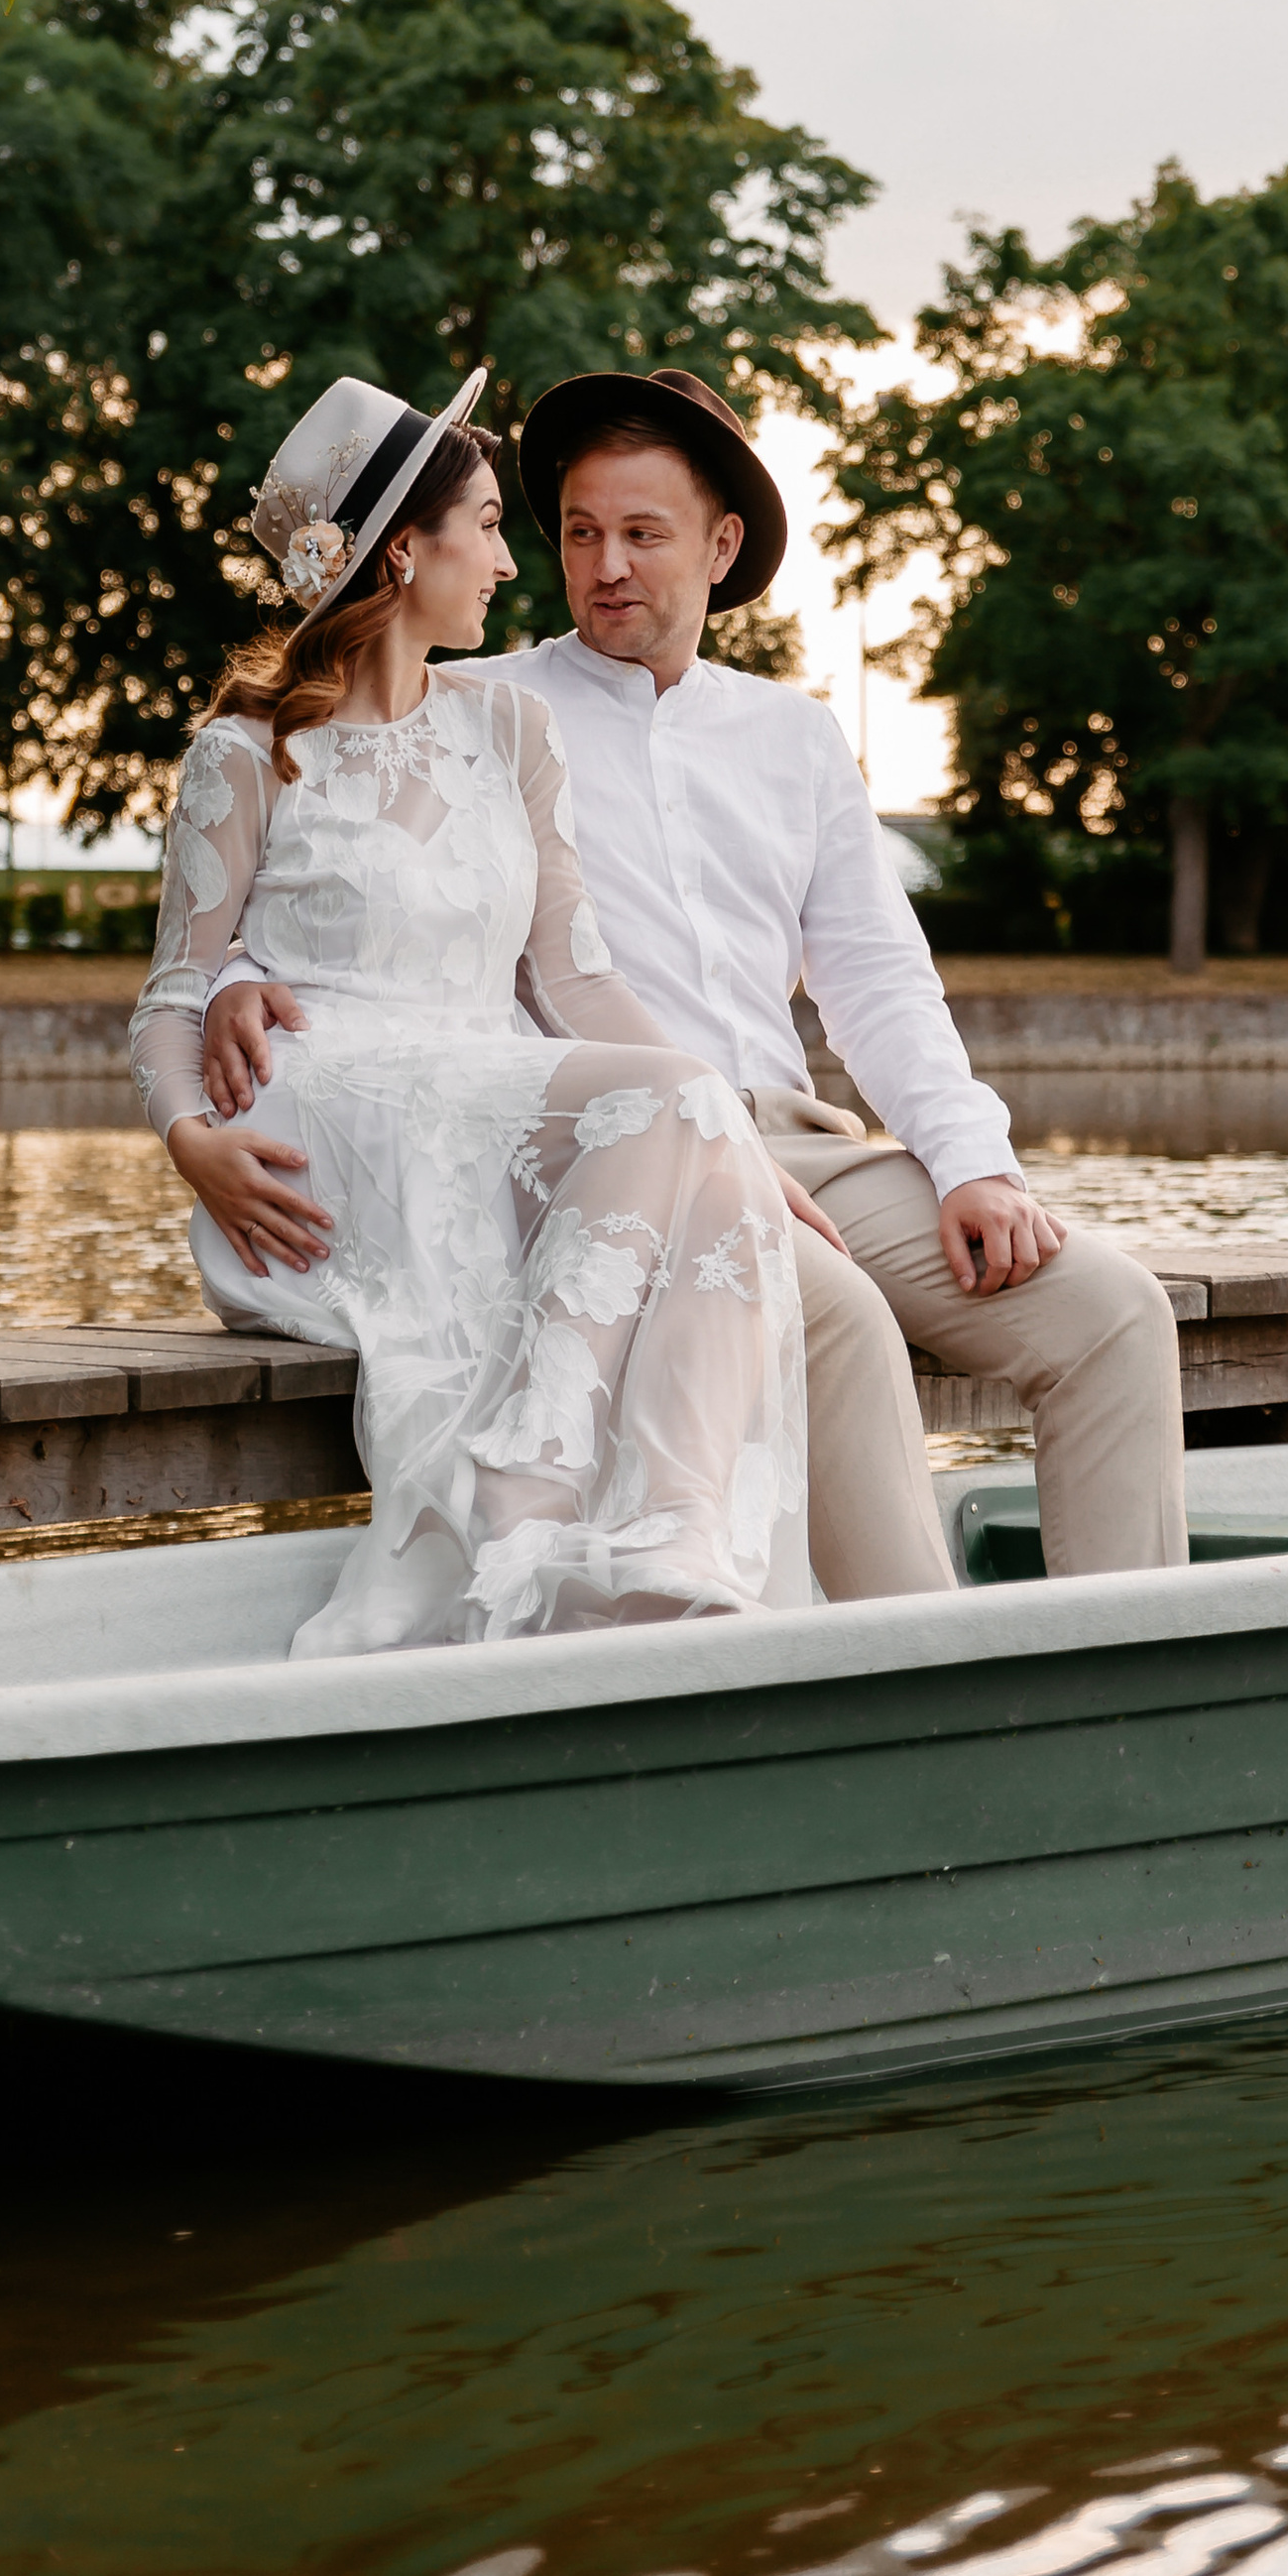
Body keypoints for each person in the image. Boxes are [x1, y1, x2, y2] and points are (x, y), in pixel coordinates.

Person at [199, 366, 1188, 1601]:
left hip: (808, 1145)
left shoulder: (796, 737)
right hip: (626, 1159)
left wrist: (969, 1160)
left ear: (720, 547)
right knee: (839, 1323)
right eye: (576, 532)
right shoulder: (479, 709)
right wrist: (239, 970)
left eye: (642, 534)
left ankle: (1124, 1696)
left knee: (1113, 1315)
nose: (605, 563)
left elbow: (878, 980)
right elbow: (327, 855)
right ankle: (935, 1691)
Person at [131, 364, 814, 1654]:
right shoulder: (247, 748)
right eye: (492, 524)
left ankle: (672, 1523)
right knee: (682, 1107)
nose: (511, 560)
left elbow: (573, 984)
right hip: (317, 1111)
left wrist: (723, 1107)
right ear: (405, 551)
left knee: (700, 1123)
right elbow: (174, 997)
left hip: (475, 1082)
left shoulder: (512, 733)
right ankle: (522, 1489)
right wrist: (191, 1142)